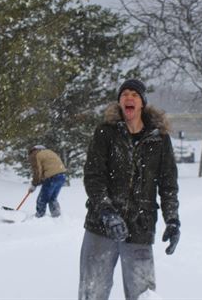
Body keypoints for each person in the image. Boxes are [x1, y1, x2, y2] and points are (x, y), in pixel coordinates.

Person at [78, 79, 180, 300]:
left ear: (142, 102)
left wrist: (172, 220)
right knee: (91, 292)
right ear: (120, 102)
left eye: (134, 94)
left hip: (140, 227)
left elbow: (168, 184)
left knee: (143, 295)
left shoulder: (159, 139)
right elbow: (94, 176)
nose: (129, 97)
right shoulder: (106, 133)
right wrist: (107, 212)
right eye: (124, 94)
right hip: (100, 226)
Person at [27, 145, 67, 218]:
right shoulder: (50, 152)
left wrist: (34, 184)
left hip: (52, 177)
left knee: (42, 199)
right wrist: (41, 179)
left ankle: (39, 216)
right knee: (52, 198)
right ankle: (57, 216)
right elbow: (50, 166)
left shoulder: (35, 154)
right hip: (62, 176)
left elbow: (37, 171)